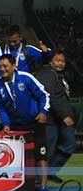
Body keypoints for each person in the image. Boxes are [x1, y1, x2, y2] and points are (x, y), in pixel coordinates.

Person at [0, 54, 50, 191]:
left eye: (5, 66)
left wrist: (43, 112)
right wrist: (5, 124)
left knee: (40, 155)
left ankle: (43, 189)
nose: (2, 69)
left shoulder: (26, 78)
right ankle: (16, 188)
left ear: (14, 66)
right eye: (0, 67)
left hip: (35, 122)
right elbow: (0, 109)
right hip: (16, 125)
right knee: (15, 157)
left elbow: (44, 95)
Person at [33, 51, 76, 183]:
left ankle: (49, 172)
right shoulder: (47, 75)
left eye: (62, 61)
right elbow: (49, 97)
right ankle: (37, 180)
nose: (60, 63)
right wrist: (64, 115)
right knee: (47, 151)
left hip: (57, 119)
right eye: (57, 60)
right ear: (51, 61)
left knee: (66, 145)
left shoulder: (58, 75)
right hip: (50, 119)